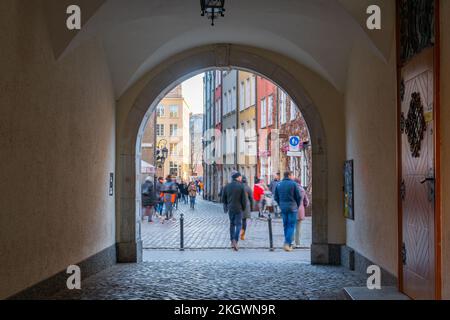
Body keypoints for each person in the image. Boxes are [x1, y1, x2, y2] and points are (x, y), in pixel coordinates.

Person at [274, 171, 301, 252]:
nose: (293, 176)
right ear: (289, 175)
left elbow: (276, 197)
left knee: (285, 225)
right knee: (291, 226)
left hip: (283, 208)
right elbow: (298, 197)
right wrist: (297, 205)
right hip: (292, 207)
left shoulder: (279, 184)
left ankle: (288, 244)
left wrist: (280, 204)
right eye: (292, 175)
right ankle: (287, 243)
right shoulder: (293, 184)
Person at [222, 172, 247, 251]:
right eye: (240, 177)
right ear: (237, 177)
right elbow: (244, 199)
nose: (241, 178)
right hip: (239, 208)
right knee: (238, 225)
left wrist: (225, 207)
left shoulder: (227, 186)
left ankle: (232, 240)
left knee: (232, 224)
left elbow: (223, 198)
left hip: (231, 208)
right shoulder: (241, 186)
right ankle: (235, 240)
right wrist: (243, 207)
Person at [294, 178, 309, 247]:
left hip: (293, 209)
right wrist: (303, 206)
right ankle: (298, 243)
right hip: (300, 210)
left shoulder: (292, 189)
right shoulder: (303, 190)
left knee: (292, 226)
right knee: (298, 228)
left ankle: (292, 242)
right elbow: (307, 202)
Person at [241, 176, 254, 241]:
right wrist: (252, 207)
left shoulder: (239, 187)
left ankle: (238, 231)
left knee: (238, 220)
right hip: (246, 205)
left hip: (239, 205)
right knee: (244, 220)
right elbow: (251, 198)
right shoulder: (248, 188)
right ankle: (243, 234)